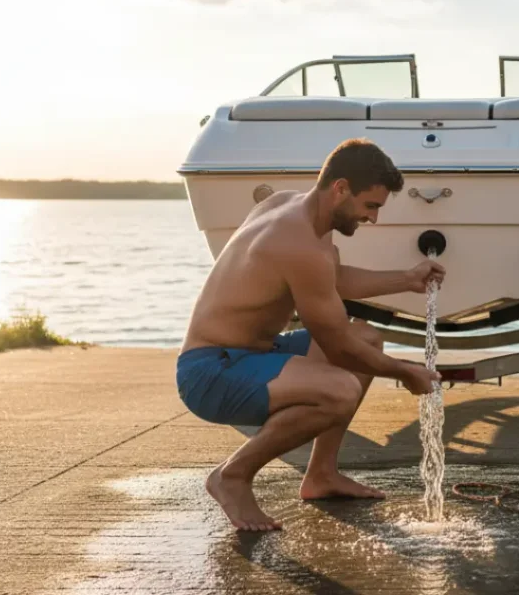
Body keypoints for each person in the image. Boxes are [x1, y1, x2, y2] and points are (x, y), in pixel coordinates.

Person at [176, 137, 445, 532]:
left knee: (367, 337)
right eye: (370, 206)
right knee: (339, 389)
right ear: (340, 188)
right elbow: (337, 345)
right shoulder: (298, 242)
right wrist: (405, 372)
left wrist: (406, 279)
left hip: (251, 353)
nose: (373, 218)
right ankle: (232, 475)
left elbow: (329, 279)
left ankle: (321, 475)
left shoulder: (293, 208)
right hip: (210, 372)